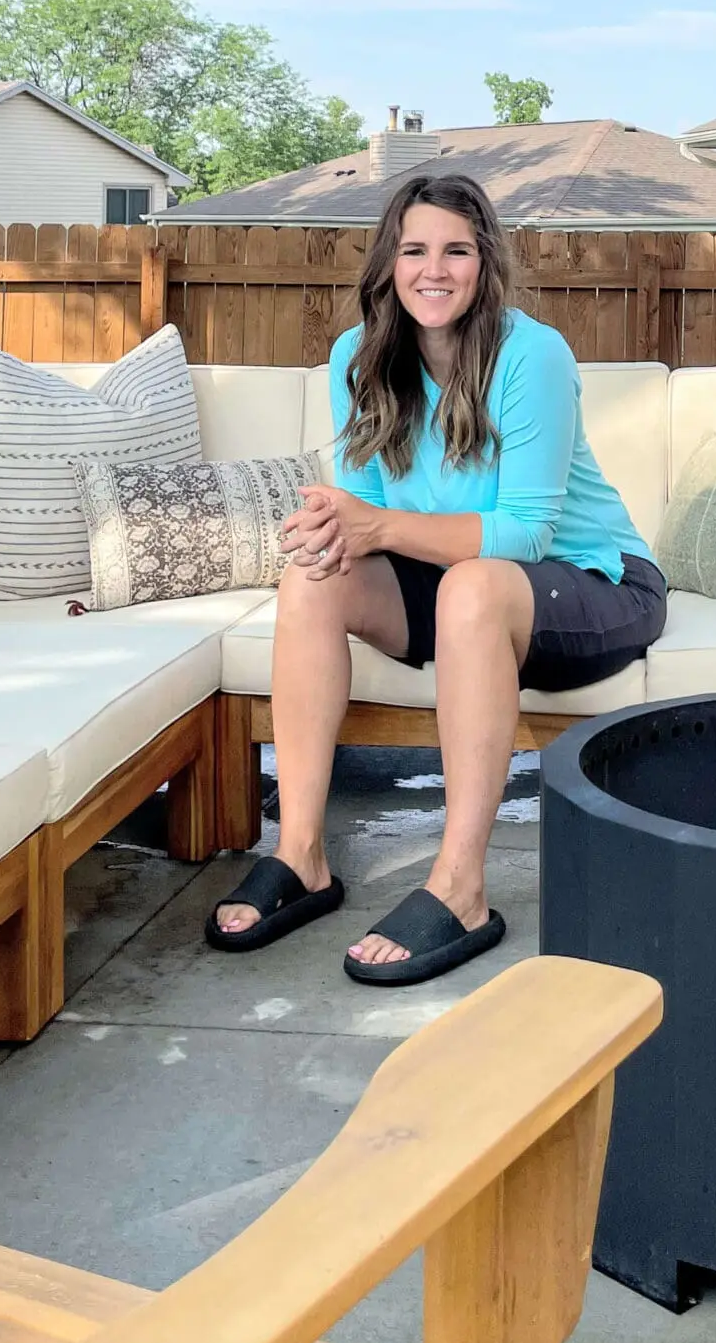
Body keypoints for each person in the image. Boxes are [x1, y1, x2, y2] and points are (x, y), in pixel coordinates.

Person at [204, 169, 667, 986]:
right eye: (415, 249)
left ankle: (460, 885)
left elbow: (524, 533)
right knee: (312, 576)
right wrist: (335, 527)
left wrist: (373, 525)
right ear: (388, 262)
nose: (434, 269)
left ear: (484, 264)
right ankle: (302, 853)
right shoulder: (357, 355)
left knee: (476, 583)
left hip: (590, 583)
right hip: (457, 587)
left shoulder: (531, 353)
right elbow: (374, 509)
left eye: (457, 250)